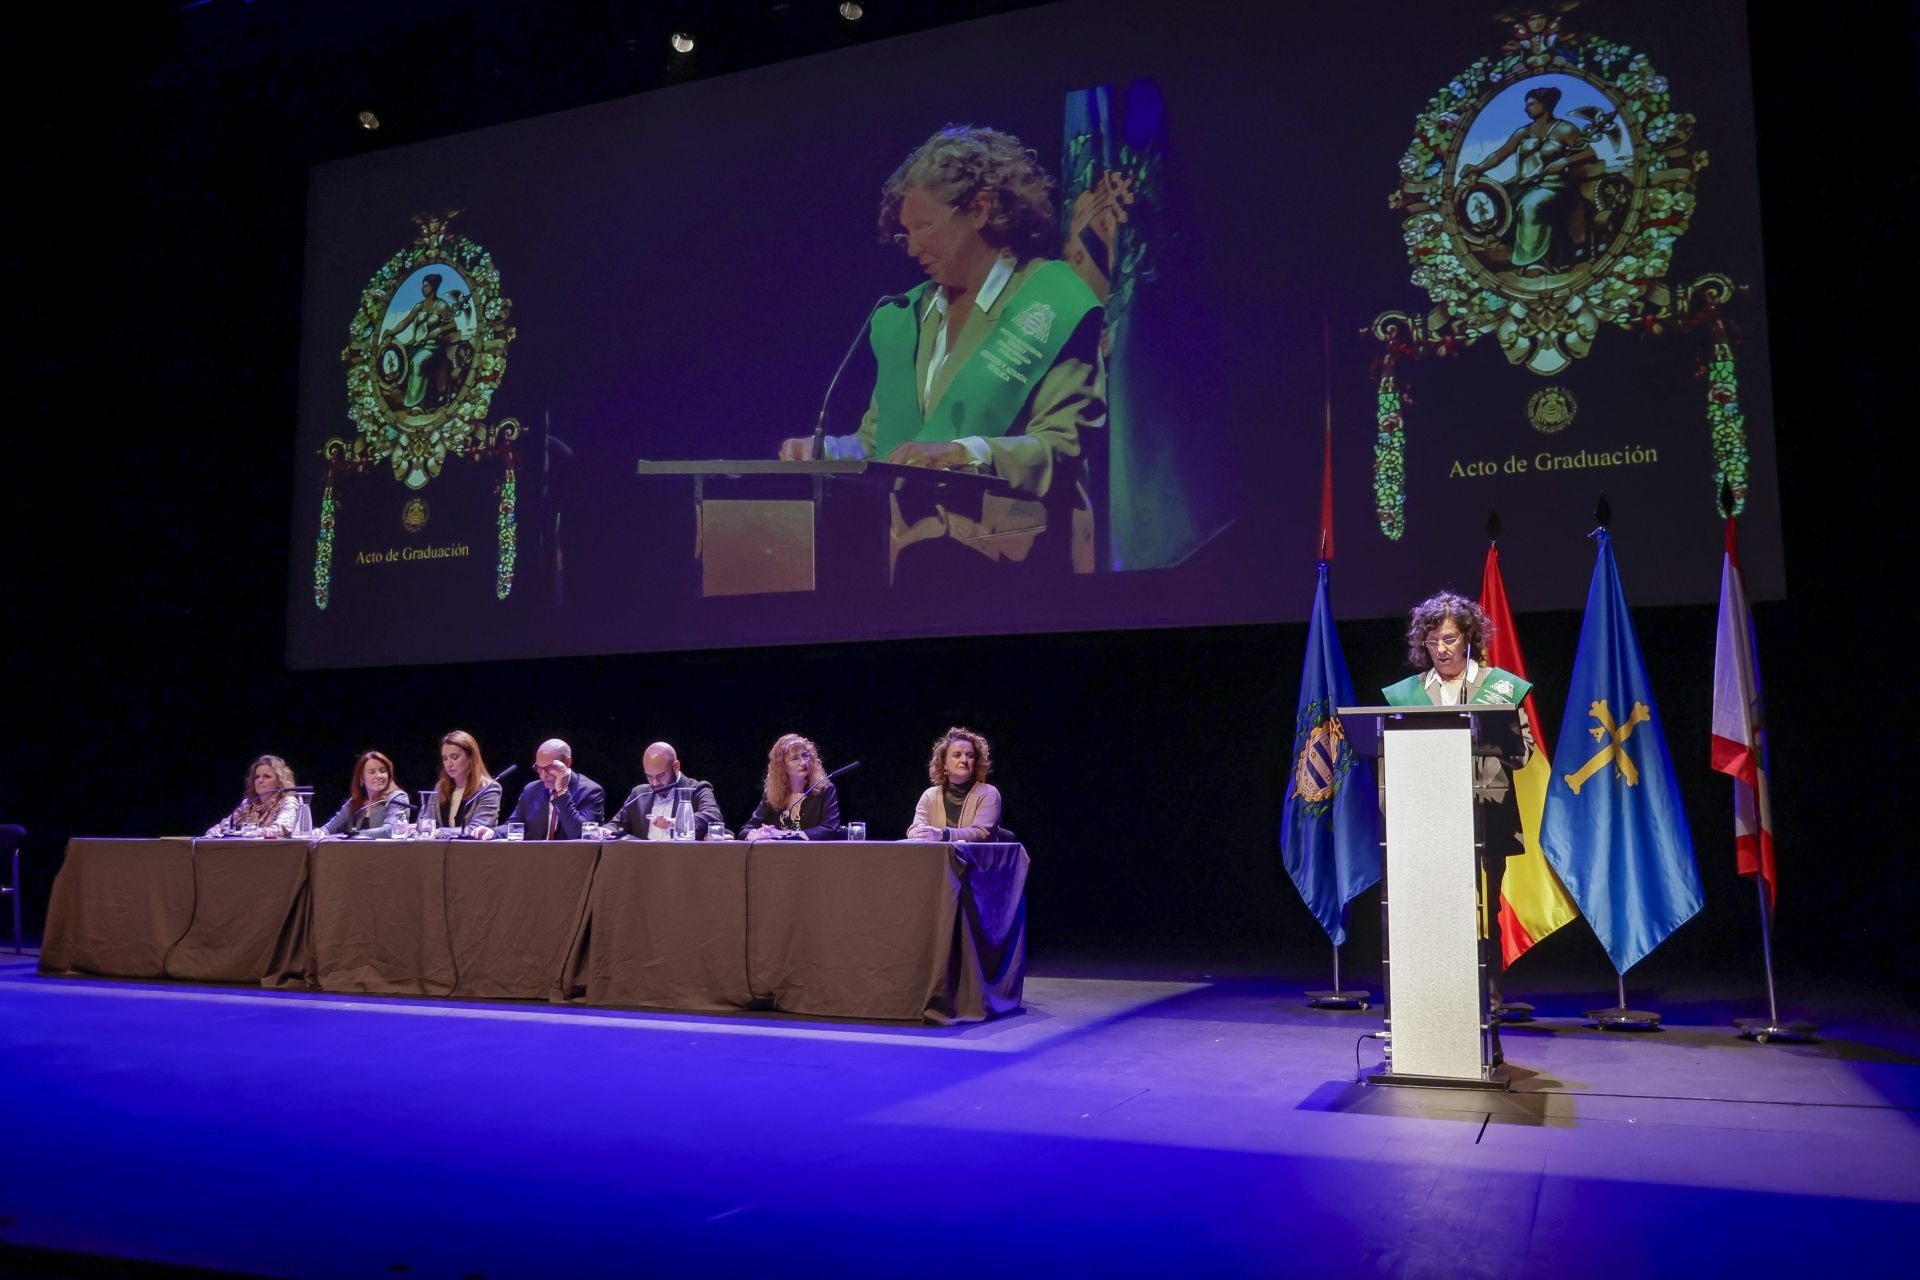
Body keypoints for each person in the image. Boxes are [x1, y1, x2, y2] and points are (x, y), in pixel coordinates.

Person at [779, 124, 1106, 579]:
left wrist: (963, 451)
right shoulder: (905, 316)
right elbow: (882, 441)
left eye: (925, 227)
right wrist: (827, 450)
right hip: (909, 564)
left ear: (978, 209)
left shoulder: (1051, 301)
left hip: (1020, 570)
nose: (912, 248)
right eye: (904, 235)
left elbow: (1063, 447)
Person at [1381, 590, 1535, 1063]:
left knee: (1482, 926)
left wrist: (1490, 742)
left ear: (1467, 636)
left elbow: (1523, 753)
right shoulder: (1407, 694)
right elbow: (1388, 761)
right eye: (1432, 643)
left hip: (1486, 821)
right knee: (1430, 926)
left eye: (1449, 639)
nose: (1441, 650)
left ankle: (1487, 1033)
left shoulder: (1500, 688)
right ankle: (1431, 1030)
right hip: (1427, 828)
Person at [1459, 85, 1598, 274]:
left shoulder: (1565, 129)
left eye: (1531, 104)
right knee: (1494, 200)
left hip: (1554, 186)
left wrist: (1565, 160)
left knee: (1530, 206)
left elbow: (1588, 152)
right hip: (1522, 184)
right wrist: (1478, 168)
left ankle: (1537, 262)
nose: (1527, 109)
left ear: (1544, 104)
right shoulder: (1523, 132)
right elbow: (1501, 154)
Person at [475, 738, 604, 841]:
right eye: (539, 768)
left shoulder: (590, 791)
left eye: (549, 768)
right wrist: (493, 832)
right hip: (535, 862)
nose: (543, 775)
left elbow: (580, 834)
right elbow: (516, 825)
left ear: (567, 763)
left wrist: (561, 792)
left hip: (572, 863)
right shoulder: (532, 789)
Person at [604, 741, 726, 840]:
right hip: (643, 863)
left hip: (684, 863)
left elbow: (713, 816)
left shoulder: (697, 789)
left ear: (676, 766)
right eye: (649, 776)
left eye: (661, 776)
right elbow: (616, 824)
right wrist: (605, 831)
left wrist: (676, 823)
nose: (654, 783)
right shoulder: (639, 793)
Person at [907, 726, 1003, 842]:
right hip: (938, 859)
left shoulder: (988, 793)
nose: (964, 760)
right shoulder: (929, 795)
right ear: (944, 763)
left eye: (970, 755)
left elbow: (981, 832)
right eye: (957, 755)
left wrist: (943, 834)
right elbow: (915, 828)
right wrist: (916, 833)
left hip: (977, 859)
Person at [741, 733, 841, 841]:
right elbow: (746, 830)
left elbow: (831, 829)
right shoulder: (772, 793)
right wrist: (759, 833)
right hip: (778, 855)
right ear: (782, 766)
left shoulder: (825, 789)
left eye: (805, 755)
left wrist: (785, 834)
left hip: (813, 854)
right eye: (795, 758)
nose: (803, 762)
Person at [317, 750, 410, 839]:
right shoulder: (356, 801)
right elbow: (329, 828)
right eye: (372, 772)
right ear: (362, 777)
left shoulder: (398, 798)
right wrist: (319, 832)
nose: (379, 776)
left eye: (382, 771)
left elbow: (389, 831)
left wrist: (355, 834)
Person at [205, 755, 301, 839]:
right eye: (257, 777)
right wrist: (215, 832)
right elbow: (224, 826)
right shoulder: (247, 804)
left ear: (280, 781)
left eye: (267, 776)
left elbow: (281, 829)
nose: (260, 780)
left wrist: (246, 832)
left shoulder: (288, 802)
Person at [431, 729, 501, 837]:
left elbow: (476, 830)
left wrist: (440, 832)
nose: (448, 764)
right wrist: (417, 827)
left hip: (473, 852)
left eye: (455, 757)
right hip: (440, 852)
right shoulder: (440, 788)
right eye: (445, 758)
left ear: (471, 758)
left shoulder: (489, 788)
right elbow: (428, 822)